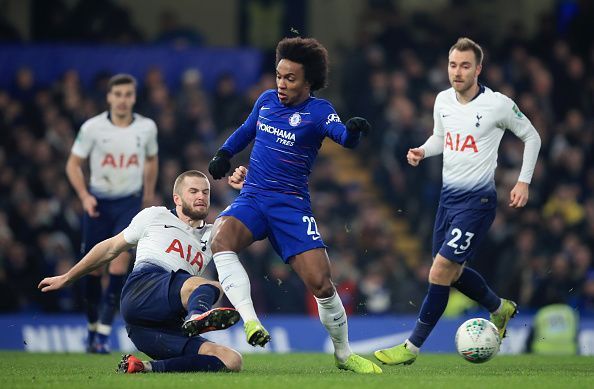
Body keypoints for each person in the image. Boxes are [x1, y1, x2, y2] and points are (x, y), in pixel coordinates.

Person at [207, 37, 382, 374]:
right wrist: (224, 154)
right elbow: (246, 130)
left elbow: (342, 136)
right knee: (220, 239)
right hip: (254, 198)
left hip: (291, 206)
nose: (281, 84)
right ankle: (251, 321)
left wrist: (354, 133)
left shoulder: (319, 112)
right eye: (278, 76)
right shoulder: (266, 101)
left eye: (290, 78)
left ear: (308, 81)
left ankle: (344, 354)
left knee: (321, 284)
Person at [374, 37, 542, 366]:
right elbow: (442, 136)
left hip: (477, 202)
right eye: (453, 65)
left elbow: (531, 136)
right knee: (450, 273)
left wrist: (524, 181)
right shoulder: (442, 100)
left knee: (438, 271)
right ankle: (499, 307)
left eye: (465, 65)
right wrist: (424, 149)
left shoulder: (498, 105)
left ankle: (411, 348)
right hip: (446, 200)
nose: (457, 71)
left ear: (478, 69)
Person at [39, 170, 243, 374]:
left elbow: (247, 222)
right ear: (177, 198)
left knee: (231, 360)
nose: (201, 196)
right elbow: (110, 248)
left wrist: (247, 190)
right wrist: (68, 277)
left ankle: (143, 367)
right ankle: (197, 316)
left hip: (151, 329)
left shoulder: (213, 234)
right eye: (194, 191)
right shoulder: (155, 215)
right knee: (209, 285)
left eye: (205, 192)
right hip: (143, 290)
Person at [65, 73, 159, 353]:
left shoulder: (147, 128)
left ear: (134, 97)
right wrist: (84, 196)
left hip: (128, 202)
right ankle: (92, 328)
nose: (122, 100)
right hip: (98, 203)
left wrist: (148, 195)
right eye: (117, 95)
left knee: (118, 263)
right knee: (93, 269)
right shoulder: (92, 128)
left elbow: (152, 161)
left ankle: (103, 335)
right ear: (109, 97)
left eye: (128, 95)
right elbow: (73, 165)